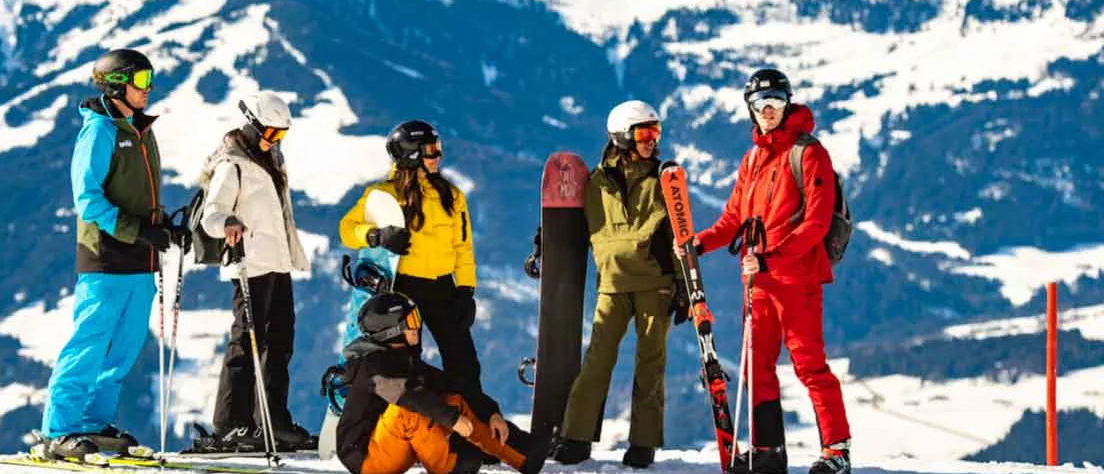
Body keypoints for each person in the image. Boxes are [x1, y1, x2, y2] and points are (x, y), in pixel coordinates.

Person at [678, 68, 851, 474]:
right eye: (758, 103)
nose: (767, 109)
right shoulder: (753, 159)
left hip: (797, 279)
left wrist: (772, 256)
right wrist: (699, 243)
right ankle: (768, 451)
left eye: (774, 100)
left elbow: (817, 223)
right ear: (750, 110)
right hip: (757, 282)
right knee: (757, 367)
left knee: (810, 366)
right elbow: (733, 218)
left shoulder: (809, 153)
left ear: (787, 101)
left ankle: (836, 450)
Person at [41, 48, 187, 459]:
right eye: (141, 80)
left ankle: (91, 421)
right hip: (106, 256)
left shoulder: (141, 130)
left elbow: (141, 196)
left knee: (124, 348)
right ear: (117, 84)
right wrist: (136, 230)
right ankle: (59, 429)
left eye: (150, 79)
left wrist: (161, 228)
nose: (149, 88)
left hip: (140, 259)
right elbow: (87, 200)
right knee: (90, 341)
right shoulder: (99, 132)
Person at [549, 100, 689, 469]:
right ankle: (575, 438)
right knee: (597, 361)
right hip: (611, 283)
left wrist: (686, 286)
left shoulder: (663, 178)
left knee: (650, 365)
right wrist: (543, 242)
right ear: (623, 136)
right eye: (644, 133)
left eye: (655, 133)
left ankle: (643, 444)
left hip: (654, 283)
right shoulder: (595, 183)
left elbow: (680, 233)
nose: (652, 141)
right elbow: (573, 226)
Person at [338, 122, 487, 422]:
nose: (438, 157)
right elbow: (347, 229)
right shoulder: (382, 195)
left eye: (438, 149)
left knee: (464, 362)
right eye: (431, 151)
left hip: (444, 288)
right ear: (410, 155)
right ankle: (405, 429)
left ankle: (474, 430)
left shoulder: (452, 195)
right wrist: (376, 236)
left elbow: (463, 248)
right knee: (406, 364)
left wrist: (466, 290)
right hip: (403, 290)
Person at [196, 91, 314, 452]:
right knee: (246, 343)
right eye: (271, 132)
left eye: (281, 135)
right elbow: (211, 215)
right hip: (249, 264)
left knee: (280, 344)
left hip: (277, 263)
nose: (275, 140)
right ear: (252, 125)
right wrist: (228, 221)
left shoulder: (272, 160)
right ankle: (231, 425)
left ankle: (273, 422)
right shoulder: (232, 164)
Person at [336, 292, 539, 474]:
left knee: (453, 399)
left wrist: (491, 412)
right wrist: (452, 420)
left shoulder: (405, 360)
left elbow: (450, 384)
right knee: (408, 410)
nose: (418, 326)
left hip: (394, 444)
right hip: (366, 459)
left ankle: (523, 454)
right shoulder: (372, 367)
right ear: (392, 329)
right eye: (411, 320)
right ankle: (450, 467)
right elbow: (407, 394)